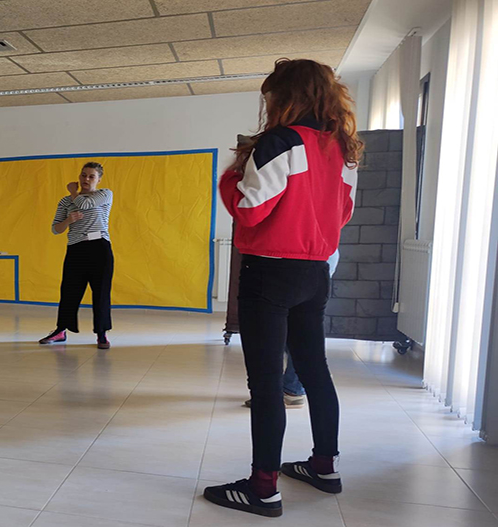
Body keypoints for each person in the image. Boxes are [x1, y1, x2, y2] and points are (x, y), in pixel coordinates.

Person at [204, 59, 361, 518]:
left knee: (267, 383)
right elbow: (343, 214)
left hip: (270, 272)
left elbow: (250, 209)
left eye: (271, 95)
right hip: (315, 274)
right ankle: (323, 466)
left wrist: (231, 176)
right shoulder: (342, 149)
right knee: (316, 372)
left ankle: (263, 488)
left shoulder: (281, 141)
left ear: (285, 97)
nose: (268, 104)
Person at [243, 250, 340, 410]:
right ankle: (291, 388)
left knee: (292, 338)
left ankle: (289, 390)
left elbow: (250, 223)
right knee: (303, 341)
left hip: (292, 261)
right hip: (320, 259)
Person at [39, 162, 114, 350]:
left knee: (101, 293)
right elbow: (56, 229)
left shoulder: (104, 195)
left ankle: (101, 334)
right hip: (76, 249)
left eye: (91, 176)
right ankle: (60, 330)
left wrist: (74, 192)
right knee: (69, 292)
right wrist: (68, 220)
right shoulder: (65, 202)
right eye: (83, 175)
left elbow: (84, 203)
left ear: (98, 179)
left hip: (100, 248)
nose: (86, 179)